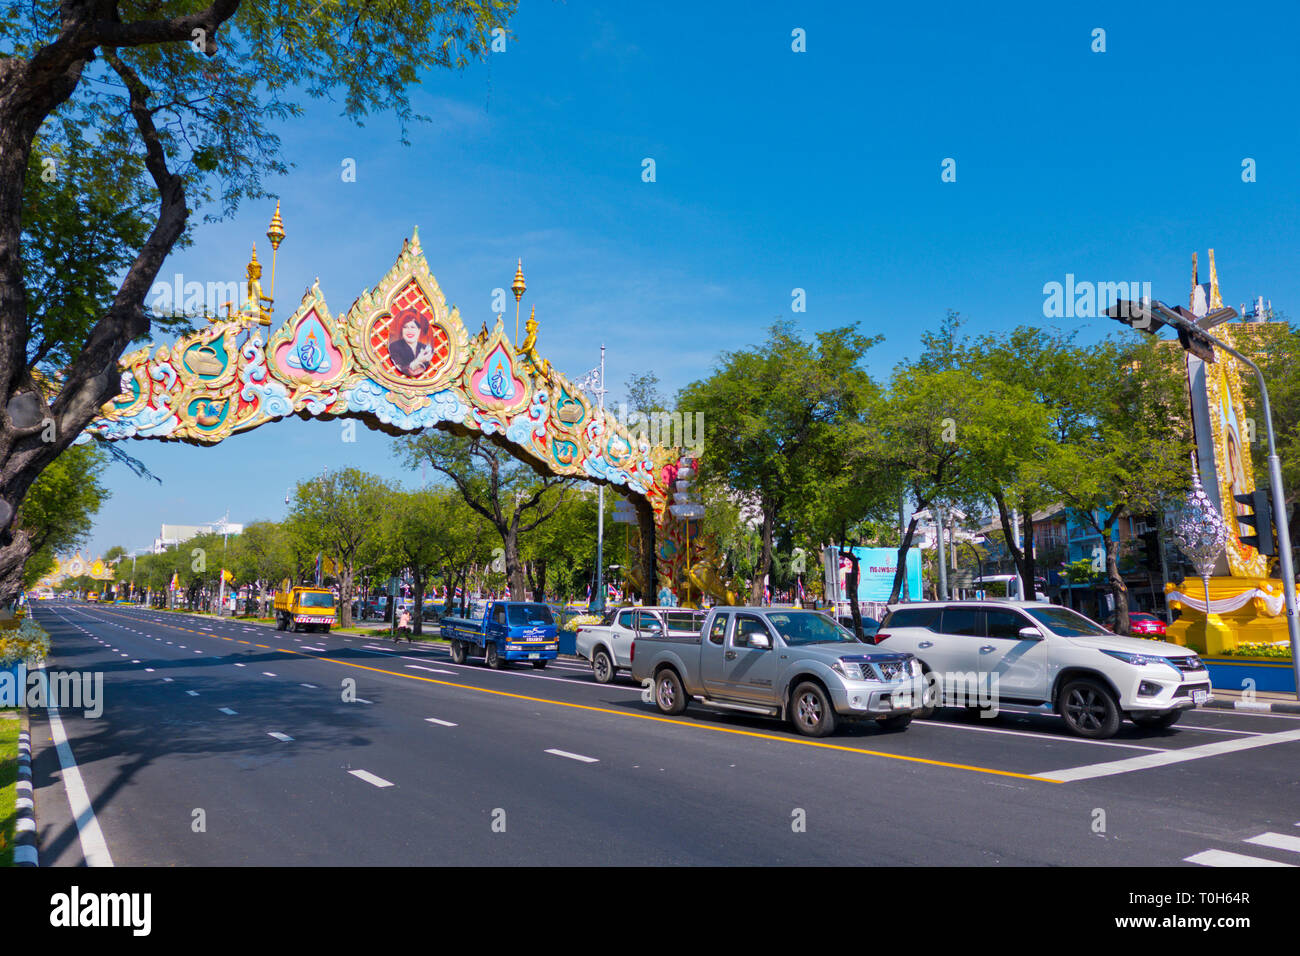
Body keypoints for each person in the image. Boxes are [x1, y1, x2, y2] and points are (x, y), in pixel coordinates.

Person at [389, 312, 434, 377]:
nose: (409, 330)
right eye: (405, 327)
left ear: (419, 330)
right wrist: (418, 361)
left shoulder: (425, 348)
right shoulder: (394, 347)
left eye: (413, 327)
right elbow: (400, 368)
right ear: (402, 330)